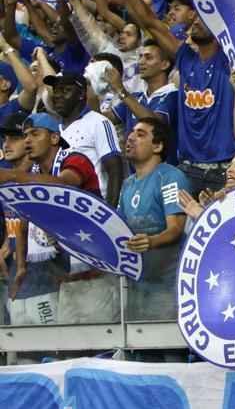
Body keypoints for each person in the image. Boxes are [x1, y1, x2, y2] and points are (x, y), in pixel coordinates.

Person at [115, 0, 235, 194]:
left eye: (205, 16)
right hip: (187, 168)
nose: (197, 21)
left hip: (225, 168)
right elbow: (150, 22)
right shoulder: (185, 58)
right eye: (197, 15)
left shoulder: (229, 61)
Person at [4, 113, 115, 324]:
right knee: (65, 345)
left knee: (97, 341)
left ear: (54, 138)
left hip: (95, 272)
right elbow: (24, 220)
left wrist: (13, 175)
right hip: (68, 278)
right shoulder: (35, 171)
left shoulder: (75, 159)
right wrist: (21, 265)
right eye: (25, 135)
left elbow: (63, 184)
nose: (27, 140)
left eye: (35, 134)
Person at [119, 118, 188, 320]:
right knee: (137, 349)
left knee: (167, 349)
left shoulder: (170, 177)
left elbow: (175, 229)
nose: (130, 138)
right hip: (135, 283)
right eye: (131, 133)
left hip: (167, 284)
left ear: (157, 146)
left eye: (140, 134)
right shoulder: (127, 184)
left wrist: (150, 241)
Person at [0, 112, 57, 326]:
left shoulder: (41, 177)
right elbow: (12, 223)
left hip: (45, 277)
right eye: (4, 138)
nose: (7, 144)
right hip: (16, 278)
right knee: (18, 352)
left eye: (14, 138)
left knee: (51, 346)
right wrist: (6, 243)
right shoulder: (6, 182)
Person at [45, 73, 123, 208]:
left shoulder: (98, 122)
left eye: (65, 90)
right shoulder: (52, 129)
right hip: (61, 207)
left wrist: (110, 212)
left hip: (92, 207)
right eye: (56, 90)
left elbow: (115, 168)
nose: (57, 95)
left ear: (81, 94)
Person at [105, 43, 178, 163]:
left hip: (162, 175)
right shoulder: (136, 97)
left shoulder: (173, 95)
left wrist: (120, 89)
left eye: (148, 57)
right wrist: (91, 90)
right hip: (135, 175)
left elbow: (154, 123)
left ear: (165, 64)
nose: (141, 62)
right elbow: (106, 118)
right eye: (140, 57)